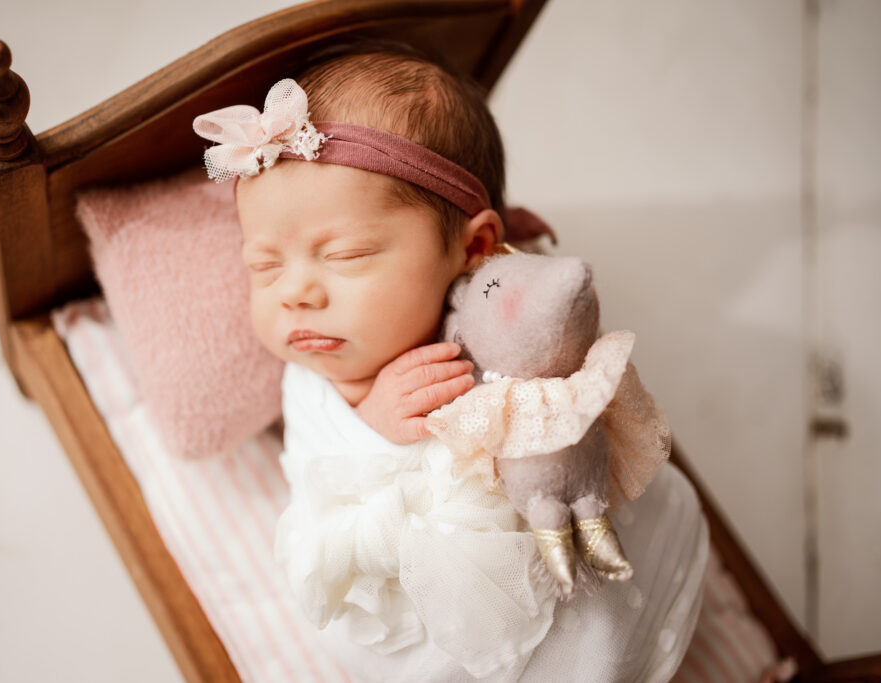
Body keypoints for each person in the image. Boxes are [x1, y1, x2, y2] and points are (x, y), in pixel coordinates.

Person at [193, 44, 708, 682]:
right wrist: (369, 422)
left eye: (347, 255)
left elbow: (566, 406)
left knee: (645, 529)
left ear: (477, 247)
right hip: (437, 600)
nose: (294, 292)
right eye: (262, 266)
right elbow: (318, 483)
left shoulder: (500, 324)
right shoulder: (312, 384)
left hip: (557, 533)